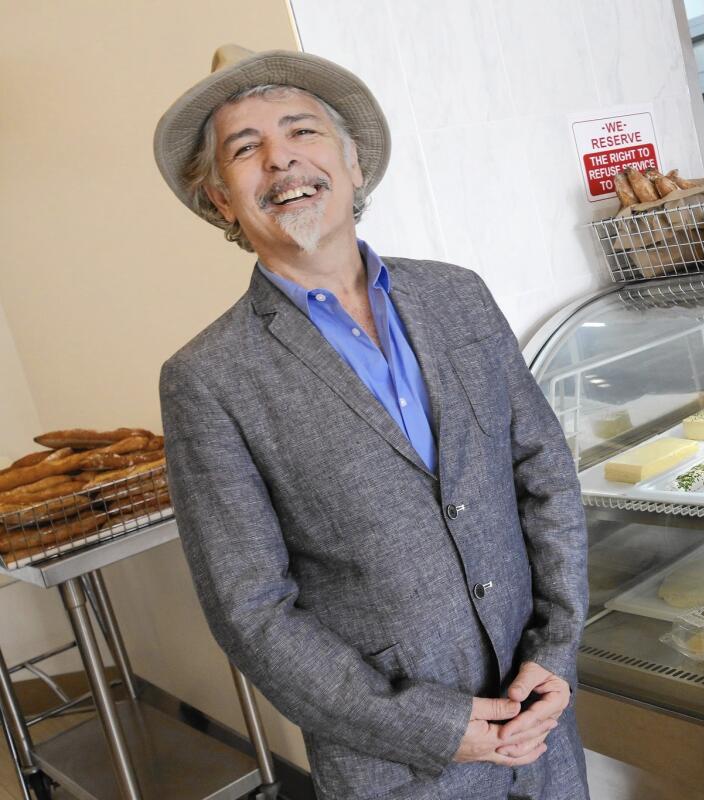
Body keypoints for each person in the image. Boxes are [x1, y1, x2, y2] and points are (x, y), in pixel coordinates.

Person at [153, 45, 589, 799]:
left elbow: (544, 474)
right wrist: (426, 725)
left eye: (302, 133)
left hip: (542, 728)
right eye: (246, 150)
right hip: (397, 770)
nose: (282, 163)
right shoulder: (207, 378)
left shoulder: (459, 297)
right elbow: (250, 611)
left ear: (355, 165)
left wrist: (558, 649)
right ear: (222, 200)